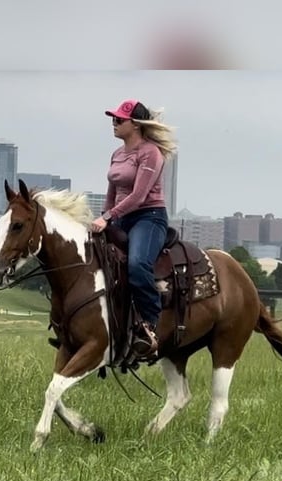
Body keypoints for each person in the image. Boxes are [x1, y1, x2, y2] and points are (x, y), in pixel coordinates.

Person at [92, 99, 178, 359]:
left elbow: (139, 196)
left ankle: (151, 327)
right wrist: (103, 219)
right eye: (113, 119)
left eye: (119, 119)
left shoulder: (150, 152)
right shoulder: (117, 155)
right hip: (119, 217)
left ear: (136, 124)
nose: (114, 123)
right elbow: (112, 194)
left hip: (148, 217)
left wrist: (108, 216)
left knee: (137, 264)